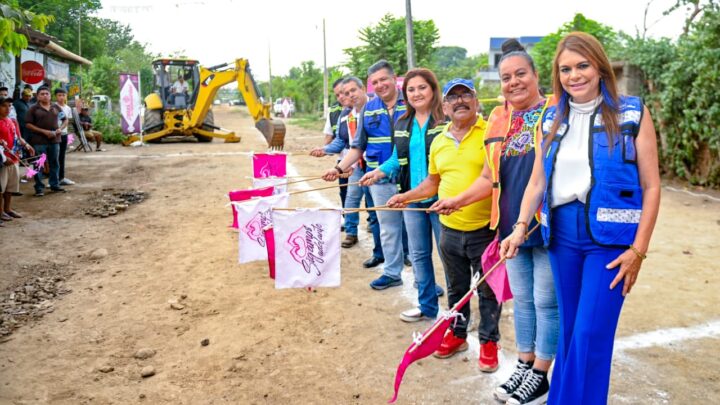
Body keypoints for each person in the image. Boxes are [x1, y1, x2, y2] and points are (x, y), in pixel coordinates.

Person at [501, 32, 661, 405]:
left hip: (610, 241)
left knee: (591, 334)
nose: (574, 75)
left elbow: (652, 186)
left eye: (582, 66)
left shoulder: (633, 112)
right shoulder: (552, 118)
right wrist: (521, 226)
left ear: (600, 66)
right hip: (562, 238)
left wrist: (638, 250)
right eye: (566, 69)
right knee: (571, 331)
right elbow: (537, 181)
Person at [432, 39, 559, 404]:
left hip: (547, 225)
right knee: (523, 301)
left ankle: (541, 374)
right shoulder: (500, 120)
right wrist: (455, 200)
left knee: (546, 302)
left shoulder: (557, 110)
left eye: (521, 74)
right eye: (506, 77)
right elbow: (489, 177)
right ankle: (524, 365)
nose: (514, 82)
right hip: (509, 228)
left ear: (537, 76)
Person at [387, 78, 502, 371]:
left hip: (485, 230)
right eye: (454, 98)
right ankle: (458, 333)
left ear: (476, 101)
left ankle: (489, 342)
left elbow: (493, 179)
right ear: (446, 106)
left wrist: (459, 201)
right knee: (456, 287)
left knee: (488, 289)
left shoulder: (490, 132)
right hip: (450, 230)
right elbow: (433, 183)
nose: (460, 101)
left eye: (466, 95)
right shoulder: (439, 141)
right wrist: (407, 196)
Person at [361, 68, 446, 321]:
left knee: (448, 257)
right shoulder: (403, 123)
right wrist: (377, 172)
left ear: (433, 89)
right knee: (419, 255)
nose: (417, 93)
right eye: (411, 89)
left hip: (443, 201)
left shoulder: (446, 120)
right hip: (411, 198)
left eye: (422, 87)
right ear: (404, 93)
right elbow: (397, 158)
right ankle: (427, 306)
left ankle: (456, 311)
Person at [322, 60, 408, 289]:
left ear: (394, 78)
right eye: (375, 82)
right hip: (378, 180)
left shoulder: (410, 103)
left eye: (383, 79)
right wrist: (339, 169)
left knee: (414, 232)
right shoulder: (369, 109)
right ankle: (391, 272)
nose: (380, 85)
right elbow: (357, 146)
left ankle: (424, 282)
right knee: (388, 228)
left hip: (410, 178)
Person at [313, 77, 385, 264]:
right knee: (351, 200)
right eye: (343, 94)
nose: (347, 96)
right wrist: (325, 150)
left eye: (351, 91)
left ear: (362, 89)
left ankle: (391, 251)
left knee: (378, 210)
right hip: (356, 166)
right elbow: (342, 141)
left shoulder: (378, 108)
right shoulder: (345, 116)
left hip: (378, 166)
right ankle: (353, 234)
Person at [0, 95, 35, 225]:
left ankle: (7, 209)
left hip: (14, 157)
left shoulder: (12, 121)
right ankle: (0, 211)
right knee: (1, 187)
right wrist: (4, 158)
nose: (7, 109)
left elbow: (18, 137)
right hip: (2, 159)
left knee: (10, 186)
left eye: (9, 106)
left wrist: (26, 145)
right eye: (4, 106)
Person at [25, 86, 65, 196]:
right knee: (39, 164)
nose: (45, 95)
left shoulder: (55, 107)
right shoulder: (33, 108)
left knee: (54, 163)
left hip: (54, 140)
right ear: (37, 96)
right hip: (39, 141)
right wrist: (44, 131)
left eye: (47, 93)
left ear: (50, 95)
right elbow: (28, 124)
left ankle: (54, 185)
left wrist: (59, 129)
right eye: (42, 94)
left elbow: (65, 120)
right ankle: (39, 188)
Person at [54, 88, 75, 186]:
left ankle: (61, 178)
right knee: (54, 157)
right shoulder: (52, 107)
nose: (61, 97)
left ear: (66, 96)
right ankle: (54, 180)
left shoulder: (68, 108)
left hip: (64, 135)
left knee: (62, 157)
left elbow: (68, 121)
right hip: (54, 135)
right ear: (55, 96)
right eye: (59, 95)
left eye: (63, 95)